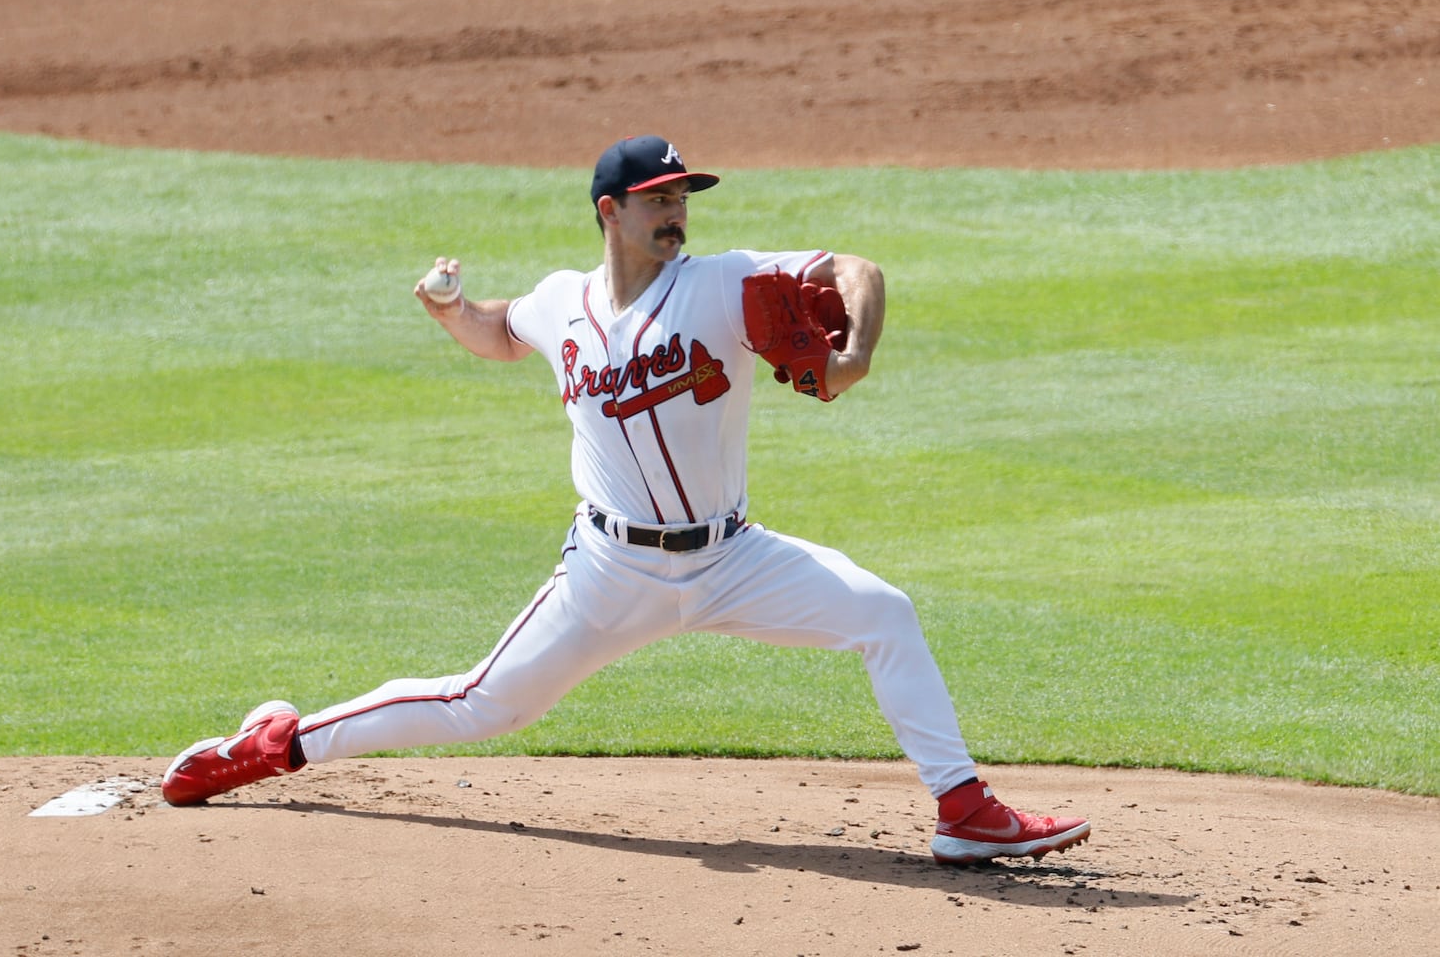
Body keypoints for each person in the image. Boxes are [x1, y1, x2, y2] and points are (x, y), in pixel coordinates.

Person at [161, 135, 1091, 864]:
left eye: (683, 197)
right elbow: (499, 331)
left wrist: (853, 358)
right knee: (482, 706)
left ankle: (964, 811)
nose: (676, 212)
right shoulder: (561, 300)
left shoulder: (727, 282)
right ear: (611, 211)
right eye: (659, 199)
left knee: (883, 613)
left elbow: (861, 273)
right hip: (610, 570)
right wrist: (451, 310)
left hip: (732, 559)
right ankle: (276, 744)